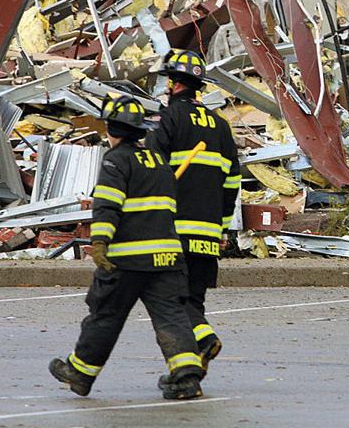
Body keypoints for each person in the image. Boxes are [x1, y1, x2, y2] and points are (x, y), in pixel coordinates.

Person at [49, 95, 204, 401]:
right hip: (167, 258)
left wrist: (100, 242)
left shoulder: (115, 161)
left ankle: (80, 373)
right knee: (172, 316)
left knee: (106, 314)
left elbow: (107, 206)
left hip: (128, 260)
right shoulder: (159, 161)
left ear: (111, 129)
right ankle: (187, 378)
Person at [147, 49, 240, 372]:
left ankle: (204, 340)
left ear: (173, 85)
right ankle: (189, 374)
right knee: (193, 302)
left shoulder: (168, 120)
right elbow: (232, 184)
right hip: (208, 233)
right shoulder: (220, 125)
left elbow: (152, 174)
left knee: (172, 303)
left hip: (174, 232)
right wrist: (223, 228)